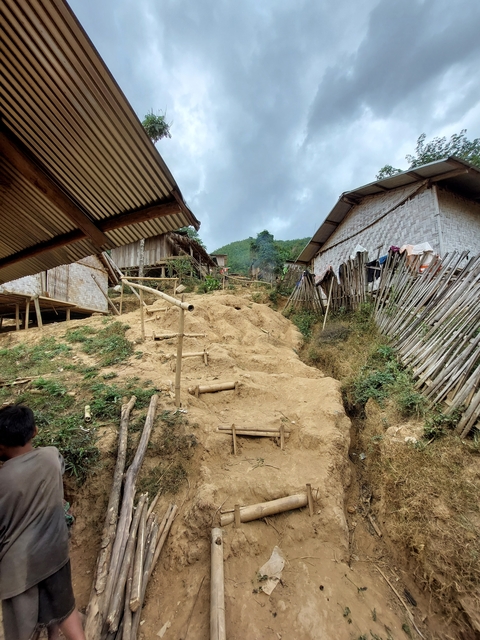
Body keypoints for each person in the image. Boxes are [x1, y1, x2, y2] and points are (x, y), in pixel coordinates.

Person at [0, 405, 85, 640]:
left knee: (22, 630)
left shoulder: (3, 479)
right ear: (35, 431)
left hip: (20, 571)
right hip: (55, 554)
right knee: (65, 610)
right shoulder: (51, 457)